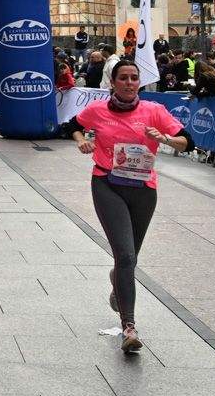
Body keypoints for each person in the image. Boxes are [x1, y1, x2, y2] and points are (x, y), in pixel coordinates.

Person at [60, 60, 190, 353]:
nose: (130, 83)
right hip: (108, 184)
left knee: (129, 259)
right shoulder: (97, 110)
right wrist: (82, 141)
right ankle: (129, 327)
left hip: (143, 190)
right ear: (113, 82)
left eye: (134, 78)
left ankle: (116, 279)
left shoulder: (154, 111)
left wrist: (166, 138)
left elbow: (188, 142)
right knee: (127, 257)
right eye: (124, 78)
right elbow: (71, 126)